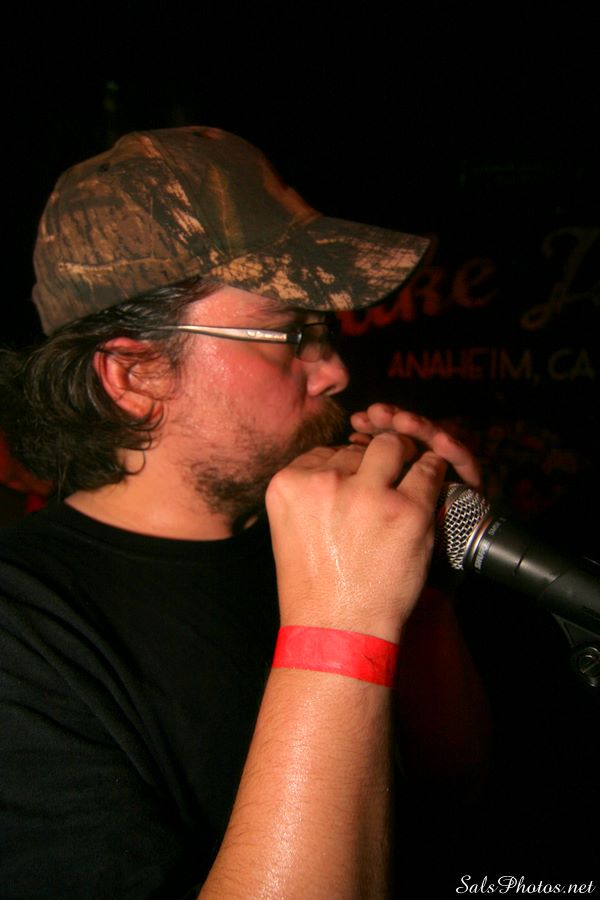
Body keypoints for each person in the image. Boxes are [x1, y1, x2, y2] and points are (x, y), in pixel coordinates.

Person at [0, 126, 489, 898]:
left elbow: (449, 796)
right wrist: (342, 625)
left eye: (325, 330)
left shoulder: (326, 529)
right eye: (293, 332)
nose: (334, 370)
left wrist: (421, 580)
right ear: (135, 375)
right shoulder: (24, 628)